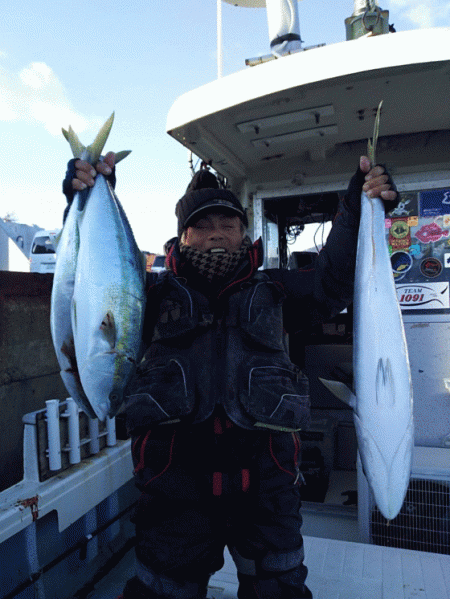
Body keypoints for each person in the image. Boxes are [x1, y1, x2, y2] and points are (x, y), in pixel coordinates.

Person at [63, 154, 397, 599]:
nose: (217, 234)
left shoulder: (276, 291)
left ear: (244, 232)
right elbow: (92, 283)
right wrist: (81, 203)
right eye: (202, 225)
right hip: (172, 494)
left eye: (228, 222)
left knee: (277, 590)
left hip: (266, 494)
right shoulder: (147, 297)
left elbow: (332, 279)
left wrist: (356, 205)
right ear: (182, 237)